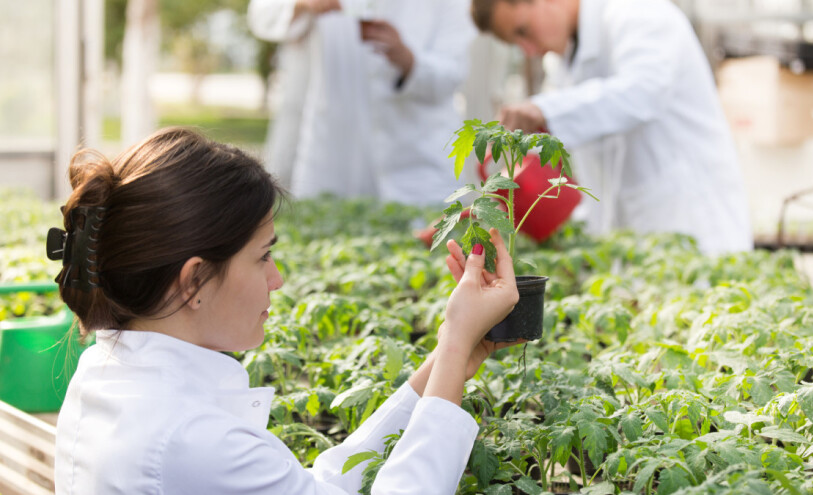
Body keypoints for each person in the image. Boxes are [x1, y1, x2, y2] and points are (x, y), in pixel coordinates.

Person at [51, 128, 521, 494]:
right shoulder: (194, 441)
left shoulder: (107, 373)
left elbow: (314, 486)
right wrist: (457, 342)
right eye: (263, 257)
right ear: (194, 280)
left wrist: (451, 356)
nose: (277, 280)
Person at [471, 0, 753, 254]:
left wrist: (544, 109)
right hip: (637, 236)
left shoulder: (637, 12)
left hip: (695, 223)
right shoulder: (564, 61)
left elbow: (643, 92)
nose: (529, 50)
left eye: (523, 31)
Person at [248, 0, 477, 206]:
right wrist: (300, 5)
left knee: (433, 247)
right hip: (334, 162)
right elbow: (261, 15)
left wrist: (407, 59)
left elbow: (453, 75)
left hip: (419, 169)